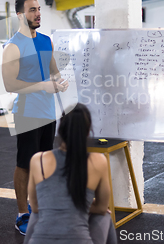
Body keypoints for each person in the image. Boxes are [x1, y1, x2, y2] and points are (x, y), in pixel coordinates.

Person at [2, 0, 68, 235]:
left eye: (39, 9)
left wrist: (60, 82)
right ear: (20, 15)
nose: (38, 13)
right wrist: (42, 86)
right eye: (32, 10)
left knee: (42, 163)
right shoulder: (13, 47)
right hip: (27, 112)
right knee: (25, 164)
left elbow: (54, 72)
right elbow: (10, 85)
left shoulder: (46, 40)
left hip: (47, 111)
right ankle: (22, 214)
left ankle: (38, 208)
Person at [24, 103, 116, 244]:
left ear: (60, 129)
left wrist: (57, 203)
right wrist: (81, 203)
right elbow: (102, 208)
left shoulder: (38, 159)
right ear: (88, 131)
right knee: (104, 217)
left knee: (36, 216)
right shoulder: (98, 161)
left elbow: (36, 207)